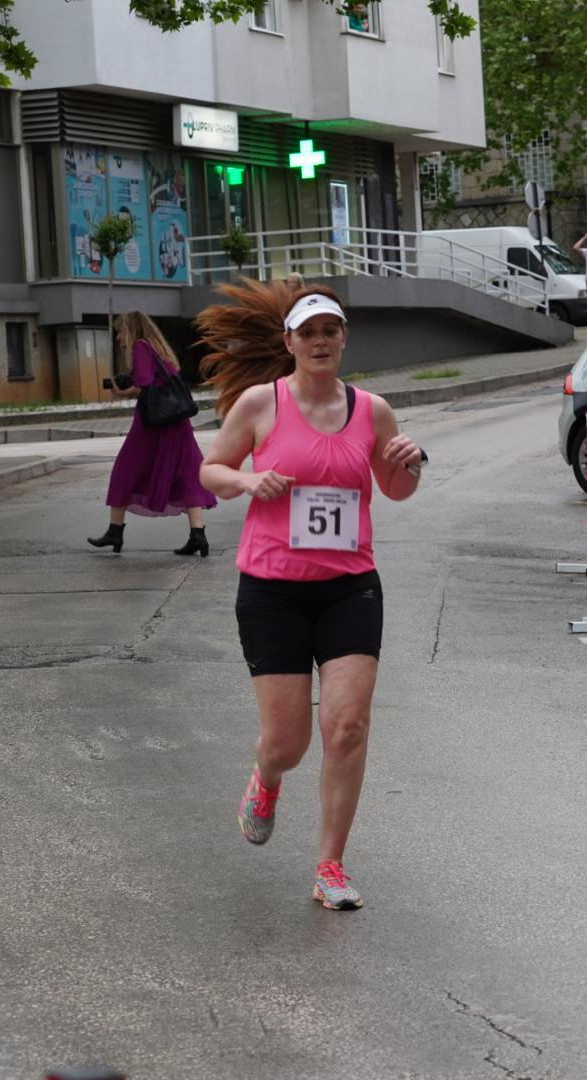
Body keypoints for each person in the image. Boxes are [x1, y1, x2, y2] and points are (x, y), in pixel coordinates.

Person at [197, 281, 424, 911]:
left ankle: (330, 865)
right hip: (272, 591)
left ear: (343, 338)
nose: (321, 341)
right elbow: (210, 472)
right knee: (288, 741)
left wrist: (407, 462)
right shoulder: (260, 403)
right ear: (289, 342)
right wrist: (247, 477)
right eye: (309, 332)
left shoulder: (373, 411)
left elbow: (395, 489)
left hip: (350, 587)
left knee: (347, 726)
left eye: (331, 330)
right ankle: (268, 776)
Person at [86, 311, 217, 556]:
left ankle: (115, 531)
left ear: (131, 330)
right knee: (186, 472)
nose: (118, 338)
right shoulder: (159, 349)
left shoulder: (141, 346)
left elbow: (143, 383)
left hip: (153, 422)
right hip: (176, 421)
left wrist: (120, 391)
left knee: (126, 468)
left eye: (120, 332)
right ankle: (198, 536)